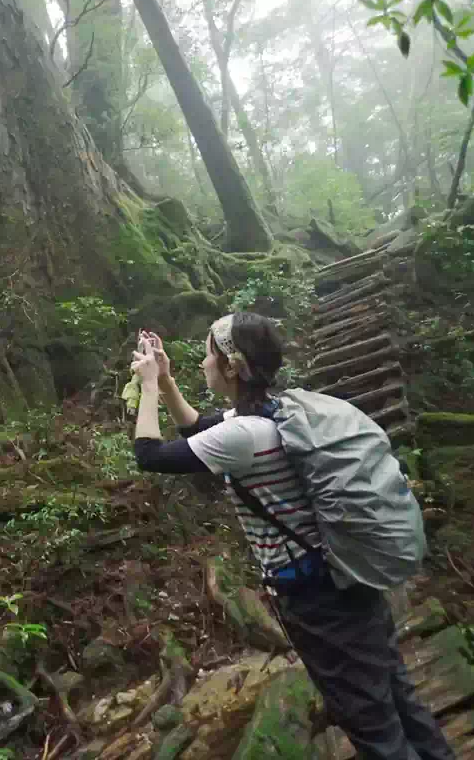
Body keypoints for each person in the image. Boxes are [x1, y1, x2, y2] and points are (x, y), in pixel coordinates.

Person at [130, 311, 455, 760]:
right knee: (398, 696)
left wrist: (146, 387)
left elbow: (150, 454)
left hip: (316, 597)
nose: (202, 363)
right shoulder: (278, 411)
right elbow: (197, 430)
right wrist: (164, 381)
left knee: (370, 724)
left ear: (231, 365)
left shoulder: (243, 434)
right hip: (346, 574)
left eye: (209, 354)